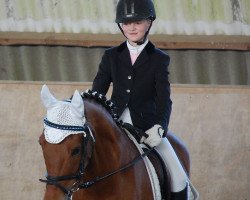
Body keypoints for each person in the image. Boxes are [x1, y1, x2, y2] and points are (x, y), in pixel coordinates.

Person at [92, 0, 188, 199]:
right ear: (120, 25)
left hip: (147, 128)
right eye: (126, 23)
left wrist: (160, 127)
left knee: (178, 176)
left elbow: (164, 99)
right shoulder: (111, 56)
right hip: (115, 124)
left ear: (149, 22)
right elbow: (97, 94)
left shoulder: (159, 59)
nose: (132, 27)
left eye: (137, 22)